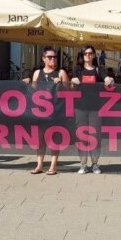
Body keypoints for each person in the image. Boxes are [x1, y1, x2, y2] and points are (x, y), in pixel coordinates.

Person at [28, 47, 69, 175]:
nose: (53, 59)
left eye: (55, 57)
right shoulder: (37, 73)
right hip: (41, 111)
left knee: (54, 138)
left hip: (56, 110)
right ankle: (39, 165)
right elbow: (33, 91)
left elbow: (68, 91)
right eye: (50, 57)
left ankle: (53, 166)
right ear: (44, 59)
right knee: (40, 138)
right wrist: (27, 84)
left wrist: (60, 84)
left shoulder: (61, 73)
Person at [72, 45, 106, 174]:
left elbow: (107, 80)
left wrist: (109, 80)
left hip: (95, 108)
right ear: (82, 55)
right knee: (81, 136)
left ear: (93, 55)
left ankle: (95, 164)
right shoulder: (77, 70)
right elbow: (71, 85)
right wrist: (72, 81)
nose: (88, 55)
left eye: (90, 53)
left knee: (95, 136)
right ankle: (83, 164)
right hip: (80, 107)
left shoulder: (99, 70)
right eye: (85, 53)